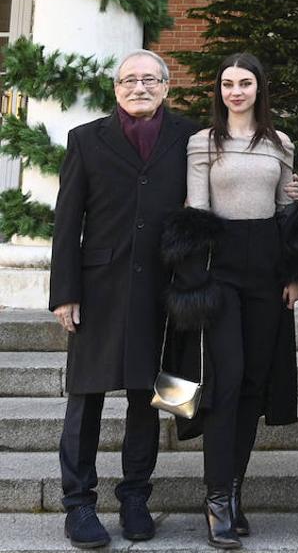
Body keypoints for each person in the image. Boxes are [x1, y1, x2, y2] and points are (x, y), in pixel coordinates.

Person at [50, 50, 199, 549]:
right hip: (98, 288)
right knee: (85, 397)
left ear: (166, 86)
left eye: (150, 79)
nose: (140, 87)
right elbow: (67, 222)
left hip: (165, 288)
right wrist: (64, 293)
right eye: (129, 80)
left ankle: (136, 497)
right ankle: (79, 505)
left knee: (149, 395)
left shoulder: (190, 136)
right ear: (116, 88)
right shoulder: (86, 139)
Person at [160, 53, 298, 548]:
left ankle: (235, 491)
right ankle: (216, 498)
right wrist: (193, 280)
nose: (236, 91)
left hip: (266, 269)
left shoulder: (280, 143)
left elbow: (288, 211)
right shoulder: (202, 142)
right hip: (219, 269)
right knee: (223, 381)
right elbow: (197, 208)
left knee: (253, 384)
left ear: (259, 89)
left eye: (245, 83)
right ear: (219, 90)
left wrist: (295, 275)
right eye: (227, 84)